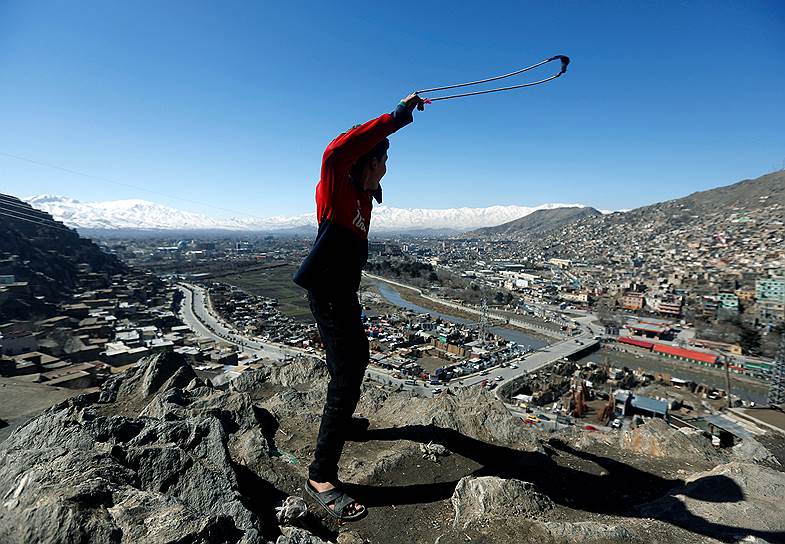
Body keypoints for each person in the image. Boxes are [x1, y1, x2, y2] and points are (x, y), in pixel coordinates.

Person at [293, 93, 425, 520]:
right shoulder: (336, 183)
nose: (386, 170)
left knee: (355, 361)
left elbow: (360, 168)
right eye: (383, 162)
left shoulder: (361, 192)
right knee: (348, 374)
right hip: (329, 294)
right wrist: (397, 117)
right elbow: (338, 150)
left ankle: (341, 422)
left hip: (342, 292)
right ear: (367, 161)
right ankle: (320, 475)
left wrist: (372, 178)